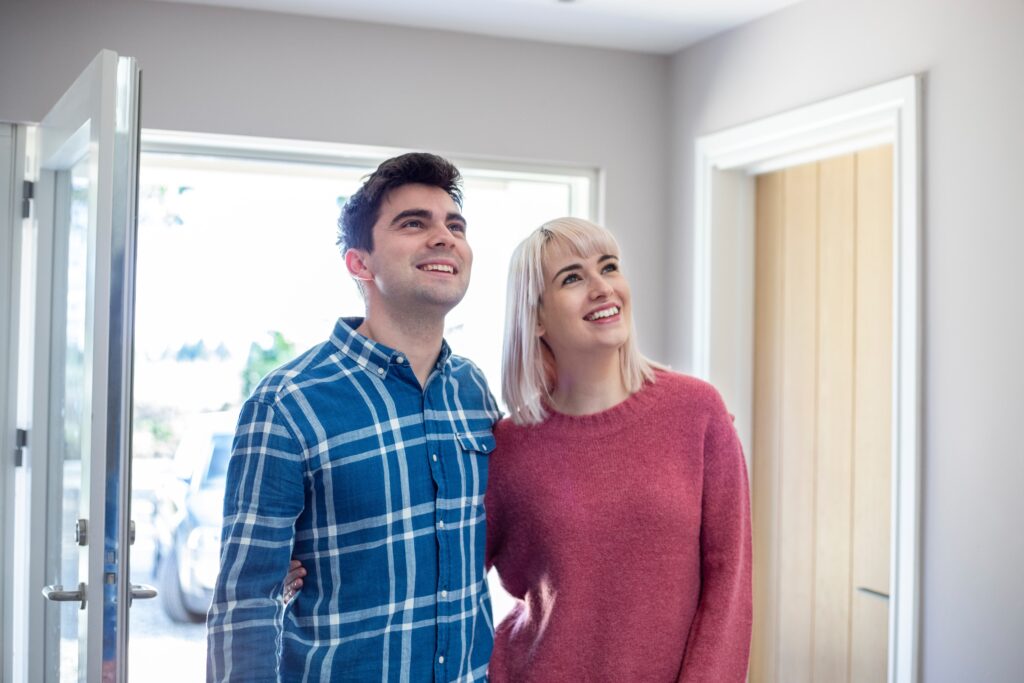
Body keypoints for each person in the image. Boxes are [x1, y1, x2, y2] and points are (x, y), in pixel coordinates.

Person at [207, 153, 501, 682]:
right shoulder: (287, 404)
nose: (444, 237)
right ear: (359, 263)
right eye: (414, 223)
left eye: (454, 225)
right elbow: (245, 605)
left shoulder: (474, 392)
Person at [484, 217, 752, 681]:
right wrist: (312, 562)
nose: (602, 287)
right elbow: (442, 571)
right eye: (572, 277)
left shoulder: (696, 410)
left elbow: (730, 580)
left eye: (609, 267)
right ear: (538, 318)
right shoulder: (507, 447)